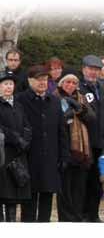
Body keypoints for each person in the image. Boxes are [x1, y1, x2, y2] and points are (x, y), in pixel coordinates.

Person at [17, 65, 69, 223]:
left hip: (50, 156)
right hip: (29, 156)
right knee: (30, 198)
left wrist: (64, 155)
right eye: (38, 79)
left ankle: (44, 228)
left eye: (45, 80)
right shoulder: (21, 100)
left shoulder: (53, 101)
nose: (42, 83)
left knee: (47, 195)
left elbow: (62, 131)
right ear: (29, 80)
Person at [55, 73, 95, 222]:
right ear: (61, 83)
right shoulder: (55, 96)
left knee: (79, 188)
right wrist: (65, 116)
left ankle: (77, 216)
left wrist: (80, 109)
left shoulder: (81, 98)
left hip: (82, 149)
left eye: (73, 83)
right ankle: (65, 218)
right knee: (65, 188)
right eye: (67, 82)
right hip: (64, 146)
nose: (70, 85)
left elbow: (92, 118)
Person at [79, 54, 104, 222]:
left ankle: (93, 213)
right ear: (84, 69)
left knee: (97, 181)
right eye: (91, 69)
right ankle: (83, 213)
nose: (93, 73)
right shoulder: (80, 88)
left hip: (100, 141)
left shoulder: (101, 88)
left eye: (96, 70)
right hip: (85, 142)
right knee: (84, 180)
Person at [0, 70, 32, 222]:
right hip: (3, 153)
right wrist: (16, 138)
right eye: (5, 84)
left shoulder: (18, 105)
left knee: (13, 194)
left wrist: (25, 140)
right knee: (2, 191)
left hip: (18, 154)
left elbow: (27, 125)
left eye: (11, 84)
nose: (8, 87)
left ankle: (12, 221)